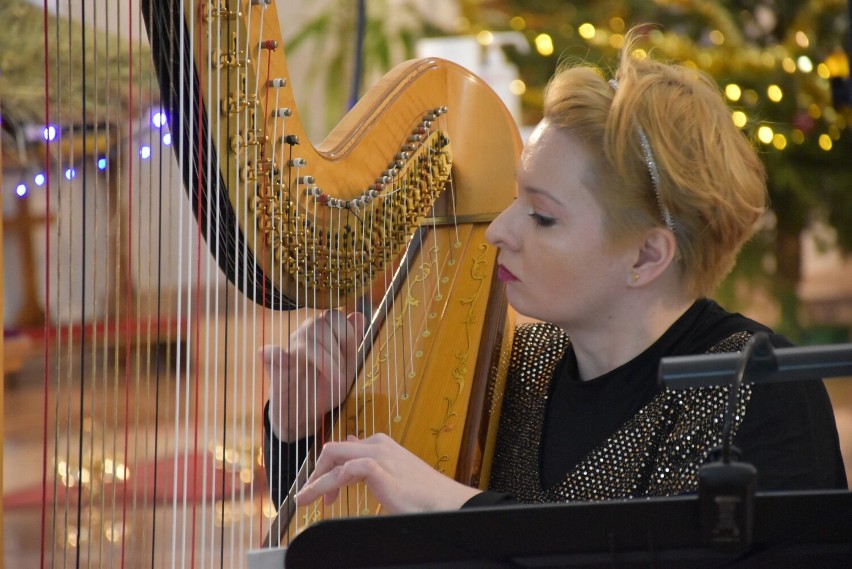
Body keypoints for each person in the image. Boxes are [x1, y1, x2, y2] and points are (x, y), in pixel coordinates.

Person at [262, 28, 847, 515]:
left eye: (542, 217)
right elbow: (349, 520)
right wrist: (297, 428)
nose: (497, 231)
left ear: (647, 256)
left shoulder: (760, 394)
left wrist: (460, 507)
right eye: (516, 197)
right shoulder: (509, 364)